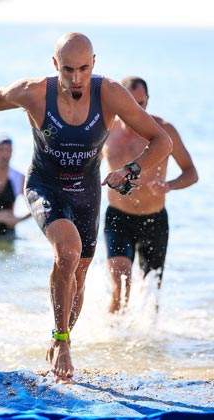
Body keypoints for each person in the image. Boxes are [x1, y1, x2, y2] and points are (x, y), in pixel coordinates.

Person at [0, 32, 173, 382]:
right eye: (67, 70)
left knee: (78, 277)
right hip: (45, 186)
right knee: (67, 252)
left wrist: (131, 169)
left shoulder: (109, 93)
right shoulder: (34, 92)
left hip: (86, 194)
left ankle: (58, 337)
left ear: (94, 63)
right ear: (55, 65)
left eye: (83, 69)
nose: (76, 79)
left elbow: (163, 141)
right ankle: (63, 342)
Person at [102, 76, 198, 314]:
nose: (137, 110)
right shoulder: (106, 130)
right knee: (119, 286)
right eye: (131, 104)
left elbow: (191, 173)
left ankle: (148, 347)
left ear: (148, 101)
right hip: (118, 218)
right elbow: (87, 167)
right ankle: (113, 342)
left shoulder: (163, 131)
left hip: (153, 220)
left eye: (142, 104)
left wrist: (170, 186)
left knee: (150, 293)